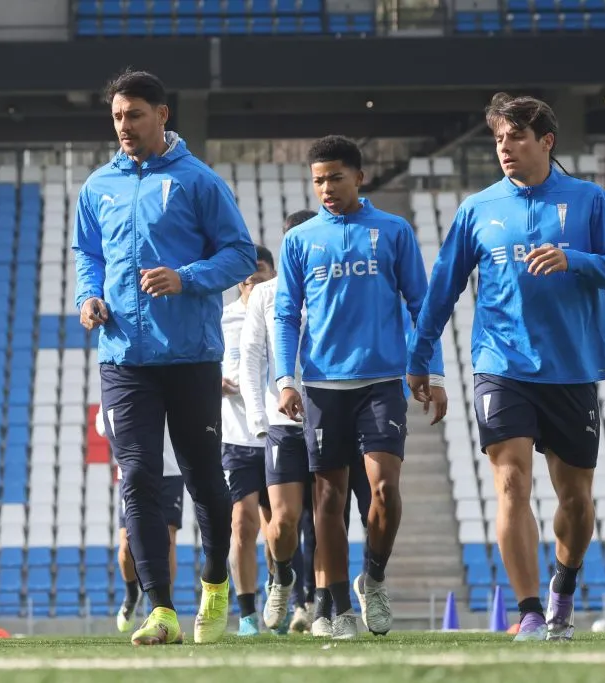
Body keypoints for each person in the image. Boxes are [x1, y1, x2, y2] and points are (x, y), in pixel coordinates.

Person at [407, 93, 605, 641]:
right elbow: (442, 288)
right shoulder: (478, 208)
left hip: (572, 368)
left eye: (516, 137)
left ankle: (563, 587)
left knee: (576, 502)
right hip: (501, 364)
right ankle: (531, 613)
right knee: (510, 482)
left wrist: (574, 260)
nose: (505, 148)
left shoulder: (588, 201)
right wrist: (421, 358)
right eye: (498, 139)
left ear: (546, 141)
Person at [72, 69, 256, 645]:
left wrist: (186, 278)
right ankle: (160, 609)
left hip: (191, 356)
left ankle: (216, 582)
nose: (125, 126)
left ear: (162, 114)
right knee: (138, 480)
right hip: (123, 356)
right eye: (118, 117)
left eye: (135, 115)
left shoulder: (199, 181)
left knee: (204, 477)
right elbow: (87, 253)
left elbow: (240, 255)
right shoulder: (97, 185)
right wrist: (88, 296)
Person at [275, 135, 446, 640]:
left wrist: (430, 372)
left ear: (359, 177)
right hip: (324, 386)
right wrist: (287, 380)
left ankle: (373, 575)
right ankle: (342, 609)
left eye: (335, 178)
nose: (326, 188)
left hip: (381, 382)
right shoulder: (300, 240)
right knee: (326, 502)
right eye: (318, 180)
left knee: (385, 491)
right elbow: (285, 315)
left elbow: (422, 305)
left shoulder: (393, 231)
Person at [240, 210, 373, 637]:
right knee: (283, 521)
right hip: (281, 422)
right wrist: (260, 418)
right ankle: (282, 575)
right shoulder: (267, 294)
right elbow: (252, 358)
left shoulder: (336, 287)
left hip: (329, 414)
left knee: (325, 518)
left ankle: (322, 609)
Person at [220, 247, 276, 636]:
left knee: (281, 526)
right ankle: (247, 614)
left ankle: (283, 591)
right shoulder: (221, 318)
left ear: (272, 272)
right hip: (236, 436)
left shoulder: (284, 311)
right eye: (244, 272)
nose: (250, 277)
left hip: (278, 430)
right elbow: (202, 364)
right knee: (242, 523)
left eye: (258, 270)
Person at [94, 404, 184, 634]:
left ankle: (164, 610)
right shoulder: (126, 375)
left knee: (168, 539)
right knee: (126, 547)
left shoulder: (173, 373)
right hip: (132, 470)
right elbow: (102, 425)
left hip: (171, 471)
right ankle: (131, 593)